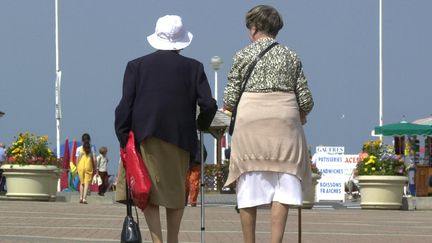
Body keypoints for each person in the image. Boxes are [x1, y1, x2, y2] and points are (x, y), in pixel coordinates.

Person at [114, 15, 217, 243]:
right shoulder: (194, 67)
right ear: (181, 41)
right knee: (175, 192)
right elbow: (208, 104)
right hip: (180, 137)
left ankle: (157, 240)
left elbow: (124, 107)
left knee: (147, 191)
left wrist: (123, 137)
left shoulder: (136, 66)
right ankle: (172, 240)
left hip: (145, 136)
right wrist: (200, 126)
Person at [223, 5, 314, 243]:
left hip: (250, 122)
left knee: (249, 184)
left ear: (254, 29)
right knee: (284, 186)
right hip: (285, 123)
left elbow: (230, 99)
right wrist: (301, 113)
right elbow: (306, 99)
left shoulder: (242, 55)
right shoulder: (291, 56)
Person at [185, 139, 207, 207]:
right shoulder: (199, 142)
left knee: (185, 183)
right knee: (194, 183)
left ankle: (184, 201)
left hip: (186, 163)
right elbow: (205, 153)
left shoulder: (185, 141)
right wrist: (201, 161)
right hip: (197, 163)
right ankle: (193, 201)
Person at [76, 133, 97, 204]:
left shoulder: (78, 149)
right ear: (90, 140)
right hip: (88, 166)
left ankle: (80, 197)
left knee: (81, 183)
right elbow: (94, 159)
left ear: (82, 140)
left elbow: (77, 159)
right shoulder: (92, 148)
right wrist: (95, 168)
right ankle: (84, 198)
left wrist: (76, 168)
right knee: (86, 183)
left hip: (80, 166)